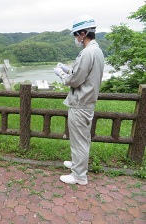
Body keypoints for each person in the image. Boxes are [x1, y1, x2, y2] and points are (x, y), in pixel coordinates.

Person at [54, 15, 104, 185]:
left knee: (80, 141)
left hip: (81, 103)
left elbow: (75, 80)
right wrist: (67, 69)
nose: (76, 38)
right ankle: (77, 165)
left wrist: (61, 74)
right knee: (81, 139)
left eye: (76, 35)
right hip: (86, 102)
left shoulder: (87, 52)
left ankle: (79, 176)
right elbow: (82, 74)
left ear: (83, 33)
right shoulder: (96, 51)